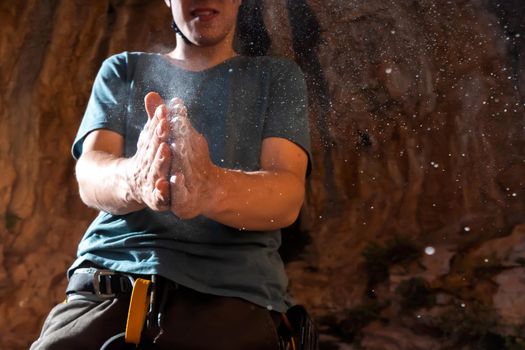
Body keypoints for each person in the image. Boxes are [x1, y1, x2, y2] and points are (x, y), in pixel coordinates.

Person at [31, 0, 312, 349]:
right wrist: (137, 178)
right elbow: (90, 174)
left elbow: (286, 196)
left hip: (231, 299)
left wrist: (209, 188)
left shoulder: (277, 78)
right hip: (106, 289)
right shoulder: (123, 70)